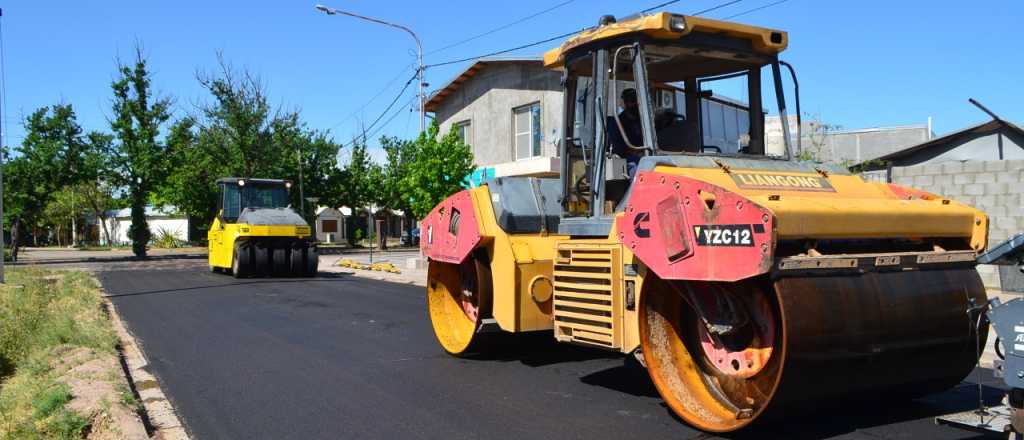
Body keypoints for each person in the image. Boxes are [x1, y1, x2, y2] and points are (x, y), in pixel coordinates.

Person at [608, 88, 644, 176]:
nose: (635, 104)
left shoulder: (643, 121)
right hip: (624, 159)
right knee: (637, 169)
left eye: (636, 101)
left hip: (644, 154)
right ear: (625, 103)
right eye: (631, 101)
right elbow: (617, 149)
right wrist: (636, 152)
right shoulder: (617, 123)